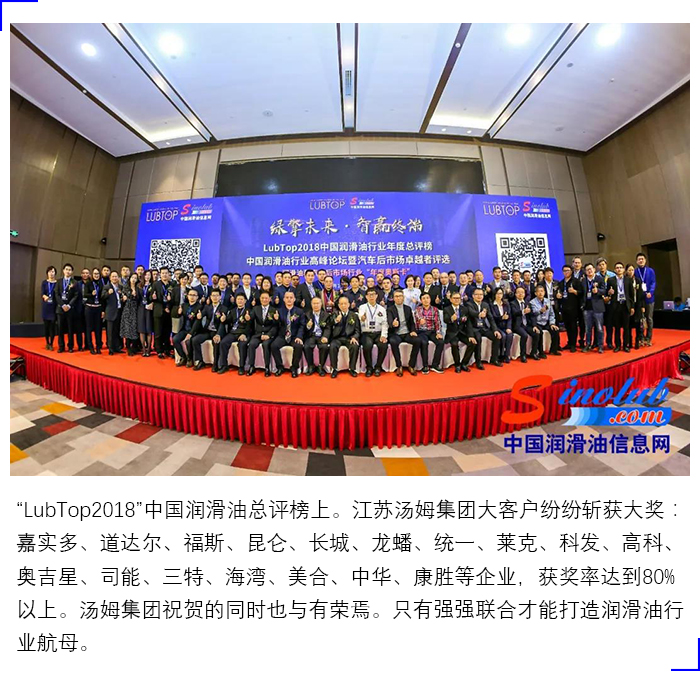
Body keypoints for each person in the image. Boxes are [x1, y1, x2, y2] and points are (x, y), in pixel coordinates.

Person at [270, 290, 305, 377]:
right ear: (284, 299)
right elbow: (276, 326)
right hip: (282, 336)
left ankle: (294, 368)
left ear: (294, 299)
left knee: (298, 346)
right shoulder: (279, 311)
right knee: (273, 346)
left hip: (294, 336)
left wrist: (299, 337)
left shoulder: (299, 311)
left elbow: (302, 326)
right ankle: (280, 367)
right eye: (287, 298)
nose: (289, 299)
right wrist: (276, 319)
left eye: (291, 298)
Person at [465, 287, 502, 369]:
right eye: (477, 294)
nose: (479, 296)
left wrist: (495, 330)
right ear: (473, 296)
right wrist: (479, 314)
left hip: (484, 328)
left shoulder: (485, 304)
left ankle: (494, 359)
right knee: (478, 339)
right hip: (475, 328)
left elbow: (491, 318)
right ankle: (478, 362)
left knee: (496, 337)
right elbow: (471, 312)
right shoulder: (469, 304)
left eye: (481, 294)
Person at [191, 288, 225, 371]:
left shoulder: (223, 308)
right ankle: (200, 361)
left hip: (216, 331)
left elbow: (223, 323)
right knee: (195, 340)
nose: (215, 297)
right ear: (210, 297)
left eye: (217, 295)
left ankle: (215, 364)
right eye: (213, 295)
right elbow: (201, 314)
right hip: (207, 330)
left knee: (216, 341)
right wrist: (199, 316)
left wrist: (218, 334)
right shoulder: (207, 307)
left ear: (220, 297)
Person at [217, 293, 251, 375]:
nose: (240, 301)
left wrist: (244, 334)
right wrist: (224, 319)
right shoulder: (232, 311)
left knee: (242, 344)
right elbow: (228, 321)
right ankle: (224, 365)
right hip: (233, 332)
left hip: (243, 333)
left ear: (245, 301)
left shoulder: (249, 311)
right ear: (235, 301)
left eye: (241, 299)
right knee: (223, 342)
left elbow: (251, 326)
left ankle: (241, 367)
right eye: (238, 299)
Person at [358, 288, 389, 377]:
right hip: (366, 333)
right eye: (369, 295)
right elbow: (360, 317)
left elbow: (384, 323)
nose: (371, 296)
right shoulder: (362, 307)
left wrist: (383, 335)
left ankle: (378, 367)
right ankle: (369, 367)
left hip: (378, 332)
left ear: (376, 296)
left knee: (383, 345)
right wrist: (362, 318)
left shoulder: (381, 309)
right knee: (367, 345)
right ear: (366, 296)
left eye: (373, 294)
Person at [246, 290, 278, 376]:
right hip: (258, 334)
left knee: (266, 345)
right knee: (251, 344)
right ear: (260, 299)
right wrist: (248, 318)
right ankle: (251, 366)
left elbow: (275, 326)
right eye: (262, 298)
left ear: (270, 299)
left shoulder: (273, 310)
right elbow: (251, 318)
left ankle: (267, 367)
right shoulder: (256, 309)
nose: (264, 300)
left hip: (268, 335)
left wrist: (269, 335)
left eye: (266, 298)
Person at [443, 290, 475, 373]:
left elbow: (468, 323)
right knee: (454, 344)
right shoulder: (447, 309)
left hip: (462, 332)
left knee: (472, 343)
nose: (456, 300)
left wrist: (470, 335)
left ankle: (464, 363)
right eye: (454, 298)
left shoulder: (464, 309)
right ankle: (457, 364)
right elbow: (445, 319)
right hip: (452, 333)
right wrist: (451, 319)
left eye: (458, 298)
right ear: (450, 299)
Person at [329, 295, 361, 378]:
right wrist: (336, 321)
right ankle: (334, 368)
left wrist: (354, 337)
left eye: (345, 303)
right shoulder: (334, 314)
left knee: (354, 346)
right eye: (341, 304)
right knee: (332, 346)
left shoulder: (354, 315)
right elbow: (329, 326)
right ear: (338, 305)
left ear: (349, 304)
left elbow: (357, 330)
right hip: (337, 338)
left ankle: (352, 368)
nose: (343, 305)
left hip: (349, 338)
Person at [606, 262, 634, 353]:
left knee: (626, 327)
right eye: (617, 268)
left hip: (625, 305)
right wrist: (609, 293)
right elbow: (607, 293)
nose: (619, 269)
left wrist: (632, 307)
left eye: (621, 267)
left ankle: (625, 345)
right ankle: (617, 345)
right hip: (616, 305)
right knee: (617, 327)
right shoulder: (610, 280)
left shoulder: (628, 280)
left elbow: (631, 295)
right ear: (614, 270)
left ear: (623, 269)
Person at [414, 291, 445, 374]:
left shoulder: (435, 309)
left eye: (427, 298)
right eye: (423, 298)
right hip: (421, 331)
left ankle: (435, 365)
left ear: (430, 299)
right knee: (424, 343)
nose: (426, 300)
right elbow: (418, 319)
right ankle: (425, 365)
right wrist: (420, 321)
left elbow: (437, 322)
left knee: (441, 342)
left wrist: (438, 333)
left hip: (432, 331)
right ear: (421, 300)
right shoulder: (418, 309)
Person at [529, 284, 561, 358]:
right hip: (537, 322)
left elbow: (551, 314)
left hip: (546, 322)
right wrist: (540, 311)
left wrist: (552, 323)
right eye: (539, 291)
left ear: (544, 292)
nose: (540, 293)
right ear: (535, 293)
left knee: (555, 330)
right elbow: (533, 314)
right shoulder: (532, 302)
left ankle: (554, 349)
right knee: (539, 332)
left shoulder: (547, 301)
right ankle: (540, 352)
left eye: (542, 291)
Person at [303, 296, 332, 376]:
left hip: (321, 336)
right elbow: (303, 328)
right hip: (311, 335)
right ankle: (311, 366)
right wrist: (308, 326)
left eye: (317, 303)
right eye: (314, 303)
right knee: (307, 346)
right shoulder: (307, 314)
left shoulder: (326, 315)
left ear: (321, 304)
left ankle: (320, 366)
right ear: (311, 304)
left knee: (324, 347)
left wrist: (325, 336)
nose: (316, 305)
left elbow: (328, 328)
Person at [557, 265, 583, 352]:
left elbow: (581, 293)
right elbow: (559, 293)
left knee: (573, 326)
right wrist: (558, 296)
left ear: (571, 271)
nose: (566, 272)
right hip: (564, 308)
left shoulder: (576, 281)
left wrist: (574, 291)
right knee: (567, 326)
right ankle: (569, 342)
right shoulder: (561, 283)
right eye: (564, 271)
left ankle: (573, 344)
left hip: (574, 308)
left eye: (567, 270)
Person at [172, 289, 202, 367]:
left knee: (188, 341)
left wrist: (191, 333)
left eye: (194, 295)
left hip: (195, 330)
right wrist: (179, 313)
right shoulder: (184, 305)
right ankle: (183, 357)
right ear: (187, 296)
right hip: (185, 329)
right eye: (190, 295)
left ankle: (190, 359)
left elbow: (197, 322)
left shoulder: (200, 307)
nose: (192, 297)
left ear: (197, 297)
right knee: (175, 339)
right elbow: (179, 316)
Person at [581, 263, 606, 354]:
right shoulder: (583, 281)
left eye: (591, 269)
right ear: (585, 271)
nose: (589, 271)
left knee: (599, 328)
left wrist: (598, 291)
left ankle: (600, 346)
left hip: (598, 307)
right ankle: (588, 344)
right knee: (588, 328)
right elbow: (581, 294)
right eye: (587, 269)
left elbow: (604, 290)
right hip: (587, 308)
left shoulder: (599, 279)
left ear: (594, 269)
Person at [511, 286, 540, 363]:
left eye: (522, 292)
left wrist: (534, 326)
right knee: (524, 335)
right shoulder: (512, 303)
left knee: (536, 333)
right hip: (518, 325)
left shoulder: (528, 303)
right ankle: (523, 355)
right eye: (518, 292)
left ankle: (533, 352)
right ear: (515, 294)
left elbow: (532, 316)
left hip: (527, 324)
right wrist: (523, 311)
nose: (520, 294)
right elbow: (514, 313)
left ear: (524, 294)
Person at [55, 263, 79, 353]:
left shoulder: (74, 282)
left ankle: (70, 346)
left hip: (70, 309)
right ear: (63, 271)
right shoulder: (59, 281)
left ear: (72, 272)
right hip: (60, 308)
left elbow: (76, 295)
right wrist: (62, 305)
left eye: (70, 270)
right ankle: (61, 346)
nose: (68, 271)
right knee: (60, 329)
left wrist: (69, 305)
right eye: (66, 269)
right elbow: (56, 294)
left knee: (70, 329)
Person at [634, 252, 656, 346]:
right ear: (636, 261)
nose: (641, 261)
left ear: (645, 260)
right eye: (639, 259)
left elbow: (653, 282)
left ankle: (649, 338)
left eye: (642, 259)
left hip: (649, 298)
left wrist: (651, 292)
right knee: (640, 319)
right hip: (639, 299)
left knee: (649, 318)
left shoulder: (650, 271)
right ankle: (641, 337)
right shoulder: (635, 271)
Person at [101, 270, 124, 355]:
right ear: (110, 278)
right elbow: (102, 297)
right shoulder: (106, 287)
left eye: (116, 276)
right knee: (110, 332)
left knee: (117, 331)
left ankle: (117, 347)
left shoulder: (120, 287)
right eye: (113, 276)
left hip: (119, 311)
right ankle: (111, 349)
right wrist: (108, 293)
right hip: (110, 312)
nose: (114, 278)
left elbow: (122, 297)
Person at [153, 267, 173, 359]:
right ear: (160, 274)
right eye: (163, 273)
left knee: (167, 332)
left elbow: (174, 298)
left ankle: (167, 349)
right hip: (159, 311)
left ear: (169, 274)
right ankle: (159, 350)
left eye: (166, 273)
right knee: (158, 332)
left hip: (168, 312)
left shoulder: (172, 284)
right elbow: (150, 297)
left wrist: (168, 305)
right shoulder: (156, 284)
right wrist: (153, 297)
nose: (164, 275)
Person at [490, 287, 513, 363]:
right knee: (503, 335)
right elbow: (493, 318)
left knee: (510, 335)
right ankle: (501, 355)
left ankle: (507, 355)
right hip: (497, 326)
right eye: (497, 293)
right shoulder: (492, 305)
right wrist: (501, 318)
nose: (499, 295)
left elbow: (509, 317)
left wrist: (508, 327)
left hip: (505, 326)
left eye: (500, 293)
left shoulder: (506, 304)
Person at [119, 272, 140, 356]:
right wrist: (126, 297)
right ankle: (128, 347)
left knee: (134, 328)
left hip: (135, 310)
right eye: (132, 278)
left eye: (135, 278)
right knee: (127, 329)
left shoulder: (138, 288)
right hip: (127, 310)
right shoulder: (126, 287)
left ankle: (134, 346)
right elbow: (123, 298)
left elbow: (140, 299)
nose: (133, 279)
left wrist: (136, 295)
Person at [84, 268, 104, 355]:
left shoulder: (101, 283)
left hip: (98, 308)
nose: (96, 275)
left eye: (98, 274)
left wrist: (103, 310)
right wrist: (91, 294)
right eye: (95, 274)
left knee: (98, 328)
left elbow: (102, 297)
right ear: (92, 275)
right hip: (89, 308)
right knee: (89, 328)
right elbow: (85, 294)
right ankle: (90, 347)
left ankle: (98, 347)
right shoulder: (88, 283)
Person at [626, 264, 646, 349]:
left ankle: (637, 340)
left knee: (638, 324)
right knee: (628, 325)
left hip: (637, 304)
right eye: (629, 270)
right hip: (628, 305)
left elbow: (641, 294)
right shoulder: (625, 280)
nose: (631, 272)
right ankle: (629, 342)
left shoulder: (637, 280)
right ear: (626, 271)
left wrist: (642, 306)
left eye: (632, 270)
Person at [73, 268, 91, 352]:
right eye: (84, 273)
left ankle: (88, 345)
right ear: (81, 275)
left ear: (89, 275)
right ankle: (80, 345)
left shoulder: (91, 284)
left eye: (87, 273)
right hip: (79, 308)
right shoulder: (77, 284)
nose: (85, 275)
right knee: (79, 329)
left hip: (89, 308)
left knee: (88, 328)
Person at [137, 269, 154, 356]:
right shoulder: (139, 285)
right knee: (142, 330)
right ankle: (143, 349)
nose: (147, 276)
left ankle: (149, 349)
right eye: (146, 275)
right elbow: (137, 298)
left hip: (149, 309)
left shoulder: (153, 285)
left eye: (149, 275)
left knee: (149, 329)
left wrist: (152, 302)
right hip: (141, 309)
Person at [41, 266, 58, 350]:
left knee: (52, 326)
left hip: (54, 307)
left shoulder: (57, 283)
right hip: (46, 307)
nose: (51, 273)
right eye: (50, 271)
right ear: (47, 273)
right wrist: (44, 296)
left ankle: (51, 343)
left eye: (53, 271)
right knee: (46, 327)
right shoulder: (44, 283)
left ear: (55, 273)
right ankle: (47, 343)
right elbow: (42, 293)